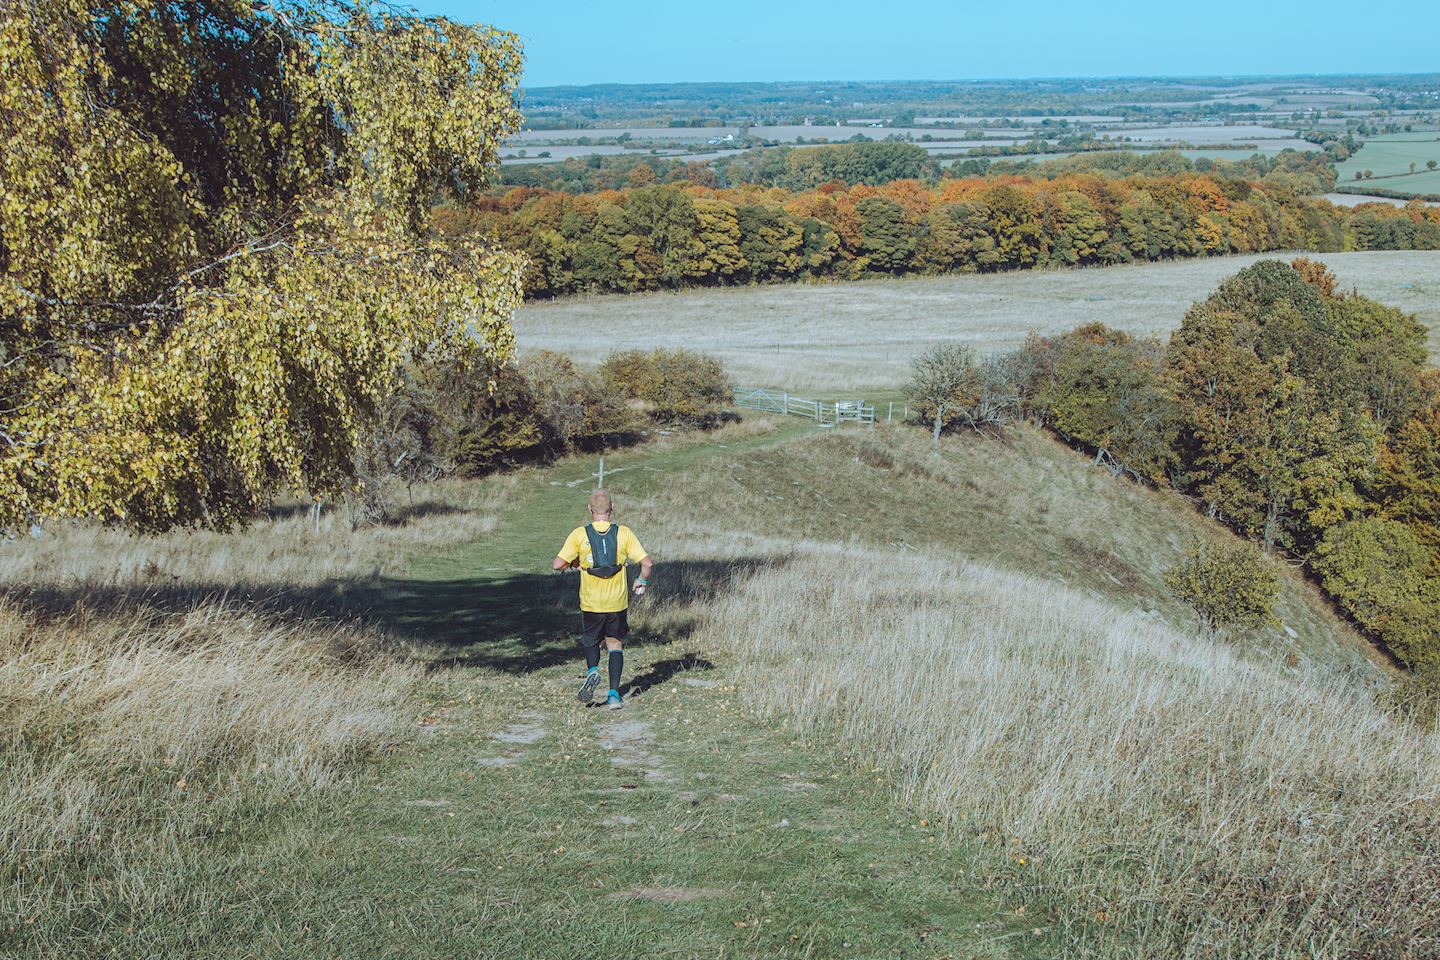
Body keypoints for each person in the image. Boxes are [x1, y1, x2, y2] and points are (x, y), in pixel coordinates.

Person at [552, 489, 652, 710]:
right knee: (615, 644)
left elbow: (557, 564)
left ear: (590, 510)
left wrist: (575, 563)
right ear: (611, 509)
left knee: (590, 641)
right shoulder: (623, 533)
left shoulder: (580, 534)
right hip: (617, 602)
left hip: (591, 602)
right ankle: (614, 695)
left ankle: (592, 671)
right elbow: (647, 563)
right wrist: (641, 582)